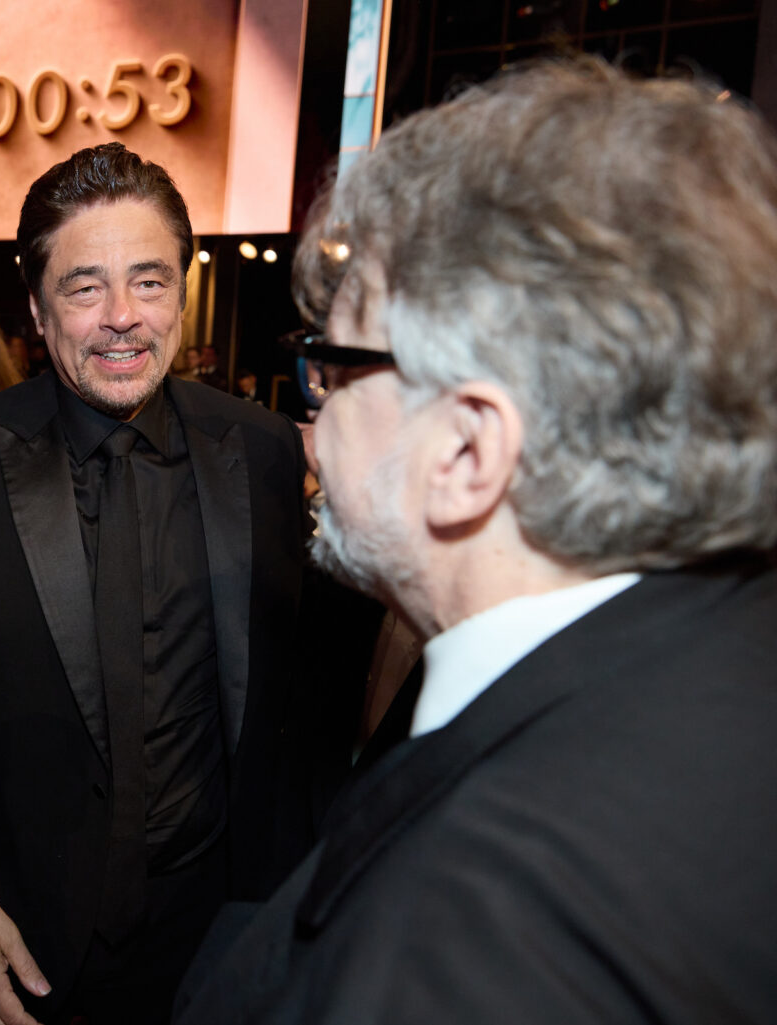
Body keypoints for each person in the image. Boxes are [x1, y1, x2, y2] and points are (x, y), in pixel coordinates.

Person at [174, 58, 777, 1025]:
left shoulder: (474, 924)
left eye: (334, 365)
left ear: (466, 448)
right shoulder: (722, 647)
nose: (312, 426)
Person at [0, 144, 324, 1025]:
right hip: (19, 944)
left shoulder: (260, 450)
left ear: (182, 290)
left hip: (220, 941)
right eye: (84, 287)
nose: (121, 319)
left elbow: (299, 702)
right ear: (36, 307)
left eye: (148, 282)